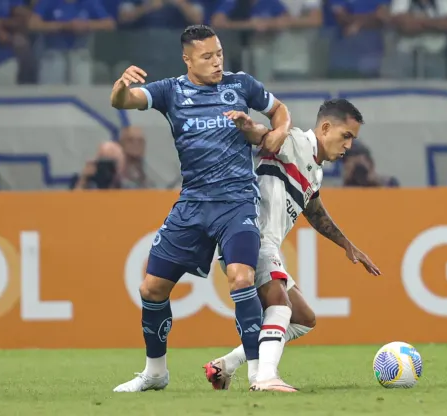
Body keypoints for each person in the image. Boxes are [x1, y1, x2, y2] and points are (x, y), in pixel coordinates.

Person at [109, 24, 292, 393]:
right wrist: (120, 85)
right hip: (193, 204)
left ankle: (259, 373)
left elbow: (280, 110)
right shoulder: (171, 91)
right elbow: (123, 103)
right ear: (187, 59)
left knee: (240, 278)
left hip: (237, 201)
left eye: (219, 53)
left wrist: (277, 133)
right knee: (151, 289)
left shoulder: (241, 85)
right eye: (207, 57)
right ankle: (155, 372)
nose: (216, 62)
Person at [203, 99, 381, 392]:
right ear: (325, 127)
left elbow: (314, 210)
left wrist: (347, 245)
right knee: (280, 306)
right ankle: (265, 378)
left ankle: (226, 366)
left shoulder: (316, 171)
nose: (349, 146)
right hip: (250, 237)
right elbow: (263, 135)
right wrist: (249, 127)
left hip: (267, 245)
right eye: (346, 136)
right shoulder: (293, 140)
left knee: (303, 318)